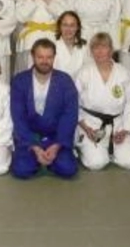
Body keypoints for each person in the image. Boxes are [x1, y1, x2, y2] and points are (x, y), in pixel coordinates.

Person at [10, 39, 79, 179]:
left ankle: (50, 158)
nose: (44, 61)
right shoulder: (20, 81)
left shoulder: (65, 81)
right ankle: (38, 158)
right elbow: (18, 117)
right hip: (30, 137)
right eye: (40, 57)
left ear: (54, 57)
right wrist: (35, 147)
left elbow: (70, 115)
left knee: (68, 169)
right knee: (21, 170)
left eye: (49, 57)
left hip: (55, 137)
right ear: (33, 56)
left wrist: (57, 146)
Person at [75, 33, 130, 171]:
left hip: (117, 126)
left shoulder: (124, 73)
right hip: (90, 125)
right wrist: (86, 128)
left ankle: (110, 148)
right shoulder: (83, 73)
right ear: (91, 51)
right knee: (97, 163)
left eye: (103, 47)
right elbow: (73, 103)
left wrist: (125, 130)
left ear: (111, 50)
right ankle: (82, 144)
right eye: (95, 48)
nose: (99, 51)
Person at [14, 0, 68, 73]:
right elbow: (20, 17)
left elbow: (65, 18)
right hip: (30, 41)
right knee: (30, 76)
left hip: (53, 39)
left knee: (53, 75)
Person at [53, 11, 89, 79]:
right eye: (65, 25)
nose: (68, 29)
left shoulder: (85, 47)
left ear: (77, 27)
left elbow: (88, 72)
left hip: (79, 87)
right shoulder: (52, 47)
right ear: (59, 27)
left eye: (72, 25)